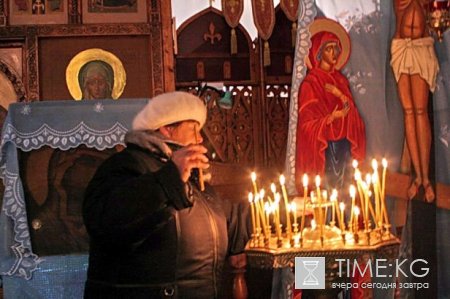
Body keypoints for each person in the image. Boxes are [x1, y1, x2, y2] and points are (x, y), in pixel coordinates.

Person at [83, 91, 249, 298]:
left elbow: (231, 222)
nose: (200, 138)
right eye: (194, 129)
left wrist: (293, 210)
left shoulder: (191, 177)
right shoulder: (126, 165)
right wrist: (170, 177)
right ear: (167, 128)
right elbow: (106, 221)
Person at [295, 21, 366, 193]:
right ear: (318, 53)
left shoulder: (340, 81)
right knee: (327, 194)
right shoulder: (310, 84)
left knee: (344, 193)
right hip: (324, 148)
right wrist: (330, 118)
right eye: (329, 48)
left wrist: (339, 94)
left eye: (336, 48)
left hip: (343, 145)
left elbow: (351, 111)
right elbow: (306, 124)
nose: (334, 52)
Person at [390, 0, 439, 202]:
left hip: (420, 47)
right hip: (401, 47)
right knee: (409, 111)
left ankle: (426, 178)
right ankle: (417, 177)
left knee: (420, 111)